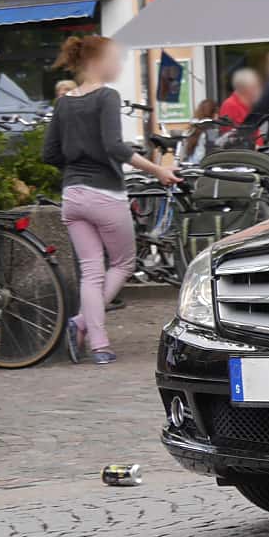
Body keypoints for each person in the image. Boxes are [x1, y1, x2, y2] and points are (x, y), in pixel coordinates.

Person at [43, 34, 180, 366]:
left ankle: (99, 345)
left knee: (91, 271)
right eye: (114, 59)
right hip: (105, 193)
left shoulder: (64, 102)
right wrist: (158, 171)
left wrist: (76, 165)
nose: (118, 65)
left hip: (72, 195)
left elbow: (49, 153)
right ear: (97, 61)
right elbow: (115, 147)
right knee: (123, 263)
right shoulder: (106, 96)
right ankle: (82, 324)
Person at [179, 98, 220, 162]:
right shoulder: (211, 130)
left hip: (190, 163)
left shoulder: (193, 126)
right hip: (203, 164)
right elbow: (213, 149)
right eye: (217, 113)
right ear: (213, 113)